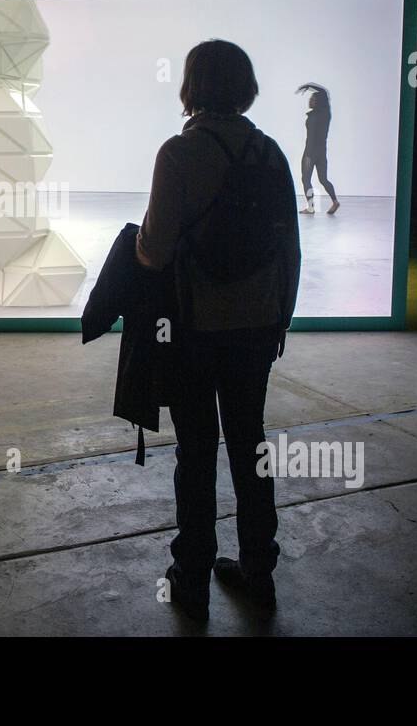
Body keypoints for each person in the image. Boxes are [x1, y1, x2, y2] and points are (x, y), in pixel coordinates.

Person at [136, 39, 301, 621]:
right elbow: (289, 247)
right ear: (245, 86)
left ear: (192, 86)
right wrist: (282, 317)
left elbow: (153, 252)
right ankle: (258, 572)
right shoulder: (271, 153)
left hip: (194, 328)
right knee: (250, 444)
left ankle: (193, 575)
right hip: (256, 327)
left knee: (197, 450)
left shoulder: (178, 154)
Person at [297, 82, 339, 214]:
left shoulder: (322, 113)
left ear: (319, 102)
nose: (310, 100)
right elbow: (324, 94)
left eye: (313, 99)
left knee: (306, 179)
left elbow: (324, 92)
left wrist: (308, 85)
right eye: (310, 98)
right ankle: (335, 202)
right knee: (323, 179)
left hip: (310, 153)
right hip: (321, 152)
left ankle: (310, 208)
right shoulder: (325, 114)